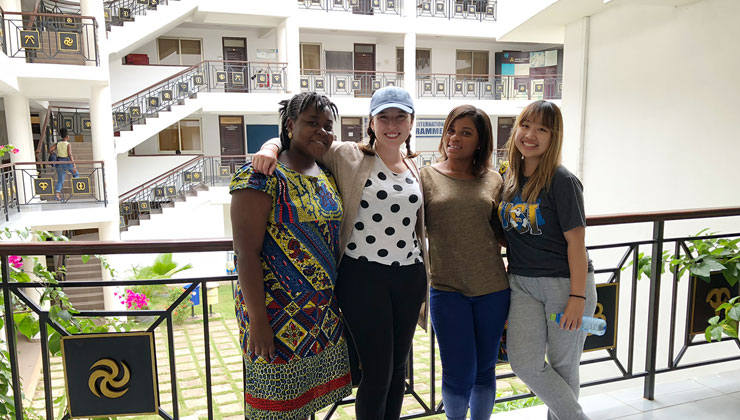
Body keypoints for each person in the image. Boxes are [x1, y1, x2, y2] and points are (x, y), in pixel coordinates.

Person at [253, 86, 428, 420]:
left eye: (400, 117)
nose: (392, 124)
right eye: (384, 117)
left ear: (410, 122)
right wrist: (270, 145)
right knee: (376, 374)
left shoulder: (414, 167)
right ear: (371, 123)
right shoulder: (348, 154)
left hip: (409, 277)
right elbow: (302, 140)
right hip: (364, 277)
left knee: (397, 372)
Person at [229, 92, 352, 420]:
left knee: (305, 404)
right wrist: (258, 321)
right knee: (274, 408)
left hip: (319, 315)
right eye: (312, 123)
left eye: (328, 126)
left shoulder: (325, 174)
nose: (322, 132)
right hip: (274, 315)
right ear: (289, 125)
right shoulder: (260, 176)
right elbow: (246, 253)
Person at [497, 100, 596, 420]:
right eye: (526, 125)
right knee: (524, 363)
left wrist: (577, 298)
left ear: (554, 137)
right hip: (522, 284)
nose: (531, 134)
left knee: (564, 367)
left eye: (543, 129)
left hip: (564, 285)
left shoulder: (562, 180)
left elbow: (576, 242)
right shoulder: (509, 178)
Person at [420, 105, 509, 420]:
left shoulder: (494, 179)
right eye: (451, 130)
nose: (454, 138)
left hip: (493, 288)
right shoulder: (425, 176)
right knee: (458, 373)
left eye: (466, 132)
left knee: (485, 370)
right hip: (447, 288)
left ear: (480, 141)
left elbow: (502, 232)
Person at [49, 128, 78, 201]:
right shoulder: (68, 144)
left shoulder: (58, 143)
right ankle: (78, 188)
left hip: (59, 162)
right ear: (67, 136)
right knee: (76, 174)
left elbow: (50, 149)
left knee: (60, 180)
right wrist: (73, 164)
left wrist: (53, 154)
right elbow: (70, 154)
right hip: (67, 161)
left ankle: (57, 195)